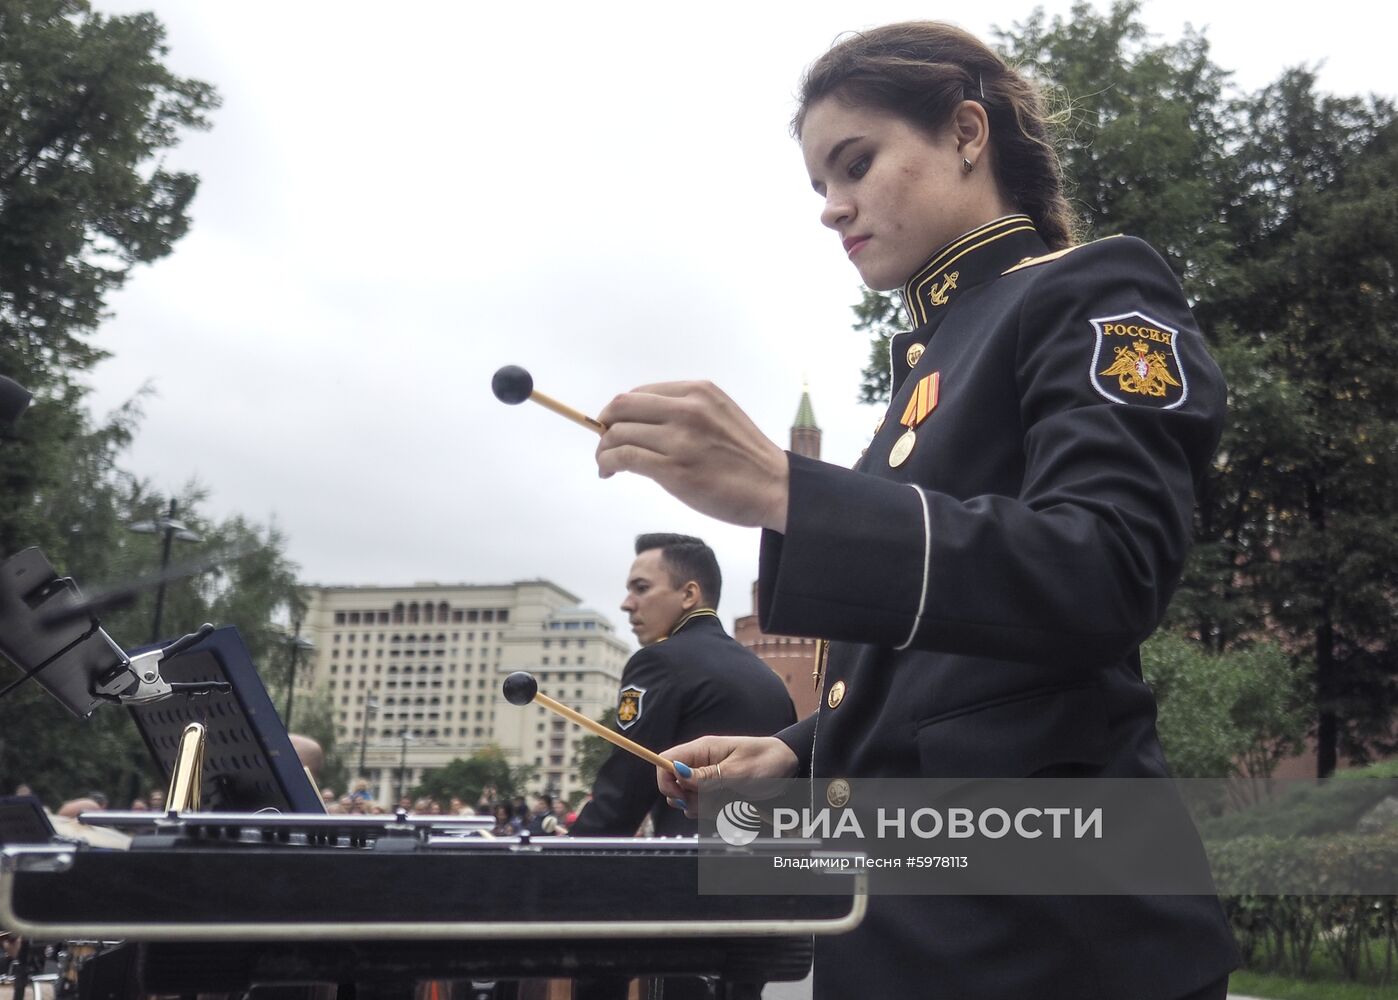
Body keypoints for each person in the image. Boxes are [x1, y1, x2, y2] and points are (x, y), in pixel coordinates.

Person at [596, 22, 1239, 1000]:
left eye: (854, 164)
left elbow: (1106, 568)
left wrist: (785, 488)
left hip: (1057, 942)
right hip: (923, 929)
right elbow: (950, 658)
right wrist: (796, 751)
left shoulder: (1092, 290)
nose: (831, 207)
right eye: (818, 185)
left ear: (967, 133)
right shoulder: (925, 368)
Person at [569, 533, 796, 837]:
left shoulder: (658, 662)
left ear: (689, 595)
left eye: (641, 588)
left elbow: (624, 791)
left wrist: (559, 859)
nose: (626, 604)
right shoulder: (767, 674)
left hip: (691, 867)